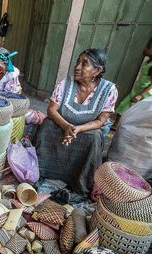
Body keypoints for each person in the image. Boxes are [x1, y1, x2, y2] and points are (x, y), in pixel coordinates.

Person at [35, 48, 118, 195]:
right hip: (62, 124)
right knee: (47, 125)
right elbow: (52, 110)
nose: (77, 67)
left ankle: (79, 183)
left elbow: (100, 121)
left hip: (86, 129)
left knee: (94, 137)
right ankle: (41, 172)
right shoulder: (65, 83)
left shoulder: (109, 90)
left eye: (84, 64)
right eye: (78, 62)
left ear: (97, 71)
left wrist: (77, 129)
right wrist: (66, 126)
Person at [114, 36, 152, 125]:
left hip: (147, 93)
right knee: (124, 106)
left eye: (148, 47)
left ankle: (118, 125)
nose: (145, 49)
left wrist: (140, 95)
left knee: (138, 112)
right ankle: (116, 125)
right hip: (139, 89)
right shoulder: (150, 60)